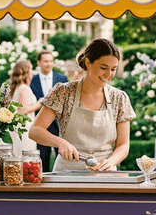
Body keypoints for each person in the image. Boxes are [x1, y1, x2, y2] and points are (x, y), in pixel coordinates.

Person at [30, 39, 135, 172]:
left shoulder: (119, 98)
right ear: (88, 63)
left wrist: (110, 162)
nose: (108, 74)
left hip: (105, 176)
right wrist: (60, 142)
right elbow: (35, 130)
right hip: (67, 173)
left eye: (113, 69)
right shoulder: (63, 92)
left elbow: (123, 145)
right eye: (103, 68)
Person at [30, 50, 69, 171]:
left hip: (59, 123)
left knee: (63, 155)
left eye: (51, 61)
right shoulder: (32, 80)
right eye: (46, 61)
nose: (49, 64)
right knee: (43, 156)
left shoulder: (62, 78)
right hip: (41, 124)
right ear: (39, 63)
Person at [9, 59, 40, 156]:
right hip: (24, 127)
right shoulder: (24, 88)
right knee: (26, 154)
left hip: (18, 126)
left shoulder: (16, 87)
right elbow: (23, 110)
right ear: (26, 72)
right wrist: (40, 103)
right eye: (30, 69)